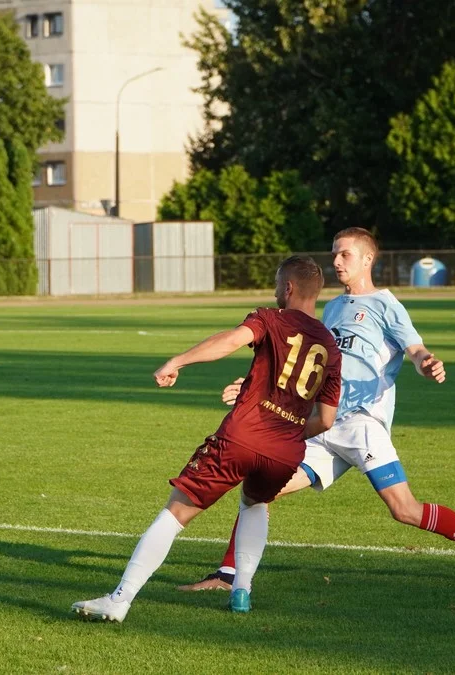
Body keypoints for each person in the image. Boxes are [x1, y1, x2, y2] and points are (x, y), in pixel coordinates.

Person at [177, 227, 455, 592]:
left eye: (344, 254)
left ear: (367, 259)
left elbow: (415, 350)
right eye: (334, 253)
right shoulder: (332, 307)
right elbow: (307, 361)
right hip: (323, 423)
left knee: (404, 510)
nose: (336, 261)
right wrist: (257, 384)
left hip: (363, 424)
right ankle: (228, 576)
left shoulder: (386, 305)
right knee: (260, 490)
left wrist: (427, 362)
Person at [71, 256, 343, 622]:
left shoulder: (270, 318)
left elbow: (229, 341)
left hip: (242, 437)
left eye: (279, 285)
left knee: (177, 512)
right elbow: (325, 419)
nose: (276, 291)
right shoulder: (331, 346)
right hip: (286, 450)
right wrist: (290, 428)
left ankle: (120, 599)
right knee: (254, 503)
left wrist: (177, 361)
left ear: (289, 288)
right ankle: (242, 591)